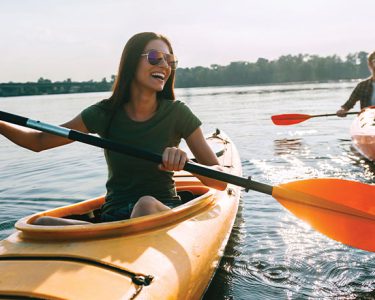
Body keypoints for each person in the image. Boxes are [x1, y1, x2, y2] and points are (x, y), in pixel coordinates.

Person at [0, 32, 227, 225]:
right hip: (113, 217)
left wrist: (186, 162)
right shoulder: (103, 114)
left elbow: (220, 180)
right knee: (41, 223)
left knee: (145, 204)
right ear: (131, 63)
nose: (165, 66)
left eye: (170, 61)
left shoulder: (178, 113)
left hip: (159, 211)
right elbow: (37, 142)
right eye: (155, 57)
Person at [336, 50, 375, 117]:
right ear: (370, 64)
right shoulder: (362, 85)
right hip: (367, 119)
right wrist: (342, 110)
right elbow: (348, 105)